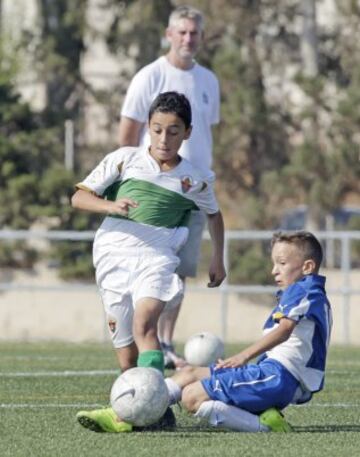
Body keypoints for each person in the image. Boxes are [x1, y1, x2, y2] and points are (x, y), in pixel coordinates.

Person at [72, 91, 226, 433]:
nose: (164, 139)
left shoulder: (196, 178)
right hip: (112, 254)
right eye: (157, 129)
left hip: (157, 256)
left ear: (186, 132)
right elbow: (79, 197)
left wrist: (218, 258)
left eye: (173, 131)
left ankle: (155, 407)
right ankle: (137, 410)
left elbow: (215, 217)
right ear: (148, 128)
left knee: (145, 324)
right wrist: (109, 206)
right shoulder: (124, 160)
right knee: (126, 354)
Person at [118, 5, 220, 368]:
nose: (188, 38)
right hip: (153, 190)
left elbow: (206, 135)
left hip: (192, 191)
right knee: (147, 266)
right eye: (181, 32)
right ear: (168, 34)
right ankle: (138, 339)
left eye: (194, 33)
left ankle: (165, 342)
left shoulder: (209, 80)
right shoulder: (149, 76)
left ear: (201, 37)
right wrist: (125, 182)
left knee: (179, 270)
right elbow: (129, 134)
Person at [163, 231, 333, 432]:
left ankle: (263, 426)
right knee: (188, 372)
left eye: (282, 263)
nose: (274, 271)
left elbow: (285, 330)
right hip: (273, 374)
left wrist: (242, 356)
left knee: (191, 397)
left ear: (307, 267)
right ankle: (147, 405)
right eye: (274, 263)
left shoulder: (304, 289)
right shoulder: (310, 293)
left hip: (279, 377)